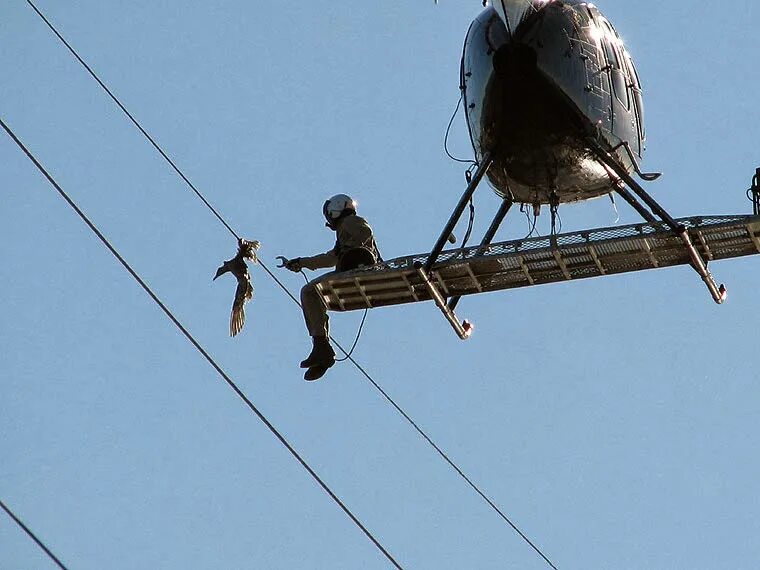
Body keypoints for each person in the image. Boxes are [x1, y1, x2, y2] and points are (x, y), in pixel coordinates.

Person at [284, 194, 380, 381]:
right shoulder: (345, 231)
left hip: (356, 269)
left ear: (335, 210)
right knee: (311, 292)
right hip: (353, 270)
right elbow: (331, 258)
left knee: (309, 293)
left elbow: (364, 232)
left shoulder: (350, 222)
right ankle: (321, 348)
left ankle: (322, 346)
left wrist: (357, 250)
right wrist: (302, 262)